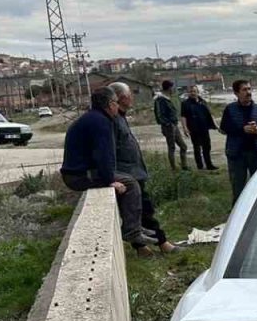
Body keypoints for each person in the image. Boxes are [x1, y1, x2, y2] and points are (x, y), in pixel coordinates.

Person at [59, 85, 152, 253]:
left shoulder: (94, 118)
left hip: (78, 173)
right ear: (110, 104)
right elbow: (103, 155)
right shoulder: (101, 122)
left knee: (127, 181)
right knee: (130, 184)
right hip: (80, 176)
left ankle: (135, 228)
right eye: (116, 102)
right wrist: (110, 180)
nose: (118, 106)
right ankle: (133, 232)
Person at [113, 82, 177, 255]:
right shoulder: (113, 119)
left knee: (139, 211)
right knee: (142, 210)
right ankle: (161, 243)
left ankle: (142, 247)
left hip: (134, 172)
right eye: (130, 94)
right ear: (122, 97)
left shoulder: (121, 116)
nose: (132, 98)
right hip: (127, 174)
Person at [220, 79, 257, 202]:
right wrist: (243, 129)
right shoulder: (230, 109)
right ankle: (237, 215)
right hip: (237, 155)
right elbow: (224, 128)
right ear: (236, 93)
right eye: (244, 89)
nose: (248, 92)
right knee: (238, 188)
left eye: (249, 89)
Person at [180, 84, 218, 170]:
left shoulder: (203, 102)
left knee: (207, 146)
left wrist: (215, 125)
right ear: (188, 93)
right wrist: (185, 128)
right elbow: (183, 116)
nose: (193, 93)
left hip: (204, 128)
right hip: (193, 129)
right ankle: (200, 166)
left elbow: (210, 114)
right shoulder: (185, 104)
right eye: (191, 91)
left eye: (194, 91)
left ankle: (209, 164)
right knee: (197, 147)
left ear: (197, 92)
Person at [154, 80, 189, 171]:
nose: (173, 89)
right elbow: (159, 114)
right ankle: (174, 168)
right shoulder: (160, 99)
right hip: (168, 126)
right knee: (172, 147)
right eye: (172, 87)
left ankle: (184, 166)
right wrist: (167, 123)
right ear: (169, 88)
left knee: (183, 146)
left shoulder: (167, 98)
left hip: (174, 125)